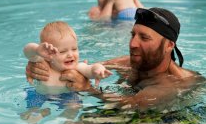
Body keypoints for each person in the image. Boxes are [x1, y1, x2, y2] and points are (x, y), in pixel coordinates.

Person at [25, 7, 204, 111]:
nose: (133, 43)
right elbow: (78, 66)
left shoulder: (175, 84)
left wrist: (88, 88)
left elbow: (131, 106)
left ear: (169, 45)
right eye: (133, 35)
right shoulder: (128, 62)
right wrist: (41, 64)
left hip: (166, 118)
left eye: (144, 38)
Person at [24, 21, 112, 87]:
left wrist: (98, 69)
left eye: (74, 49)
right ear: (47, 54)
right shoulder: (44, 65)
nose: (70, 55)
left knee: (74, 105)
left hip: (67, 97)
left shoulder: (77, 67)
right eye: (62, 51)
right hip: (40, 95)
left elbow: (89, 69)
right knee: (34, 108)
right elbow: (27, 52)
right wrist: (36, 49)